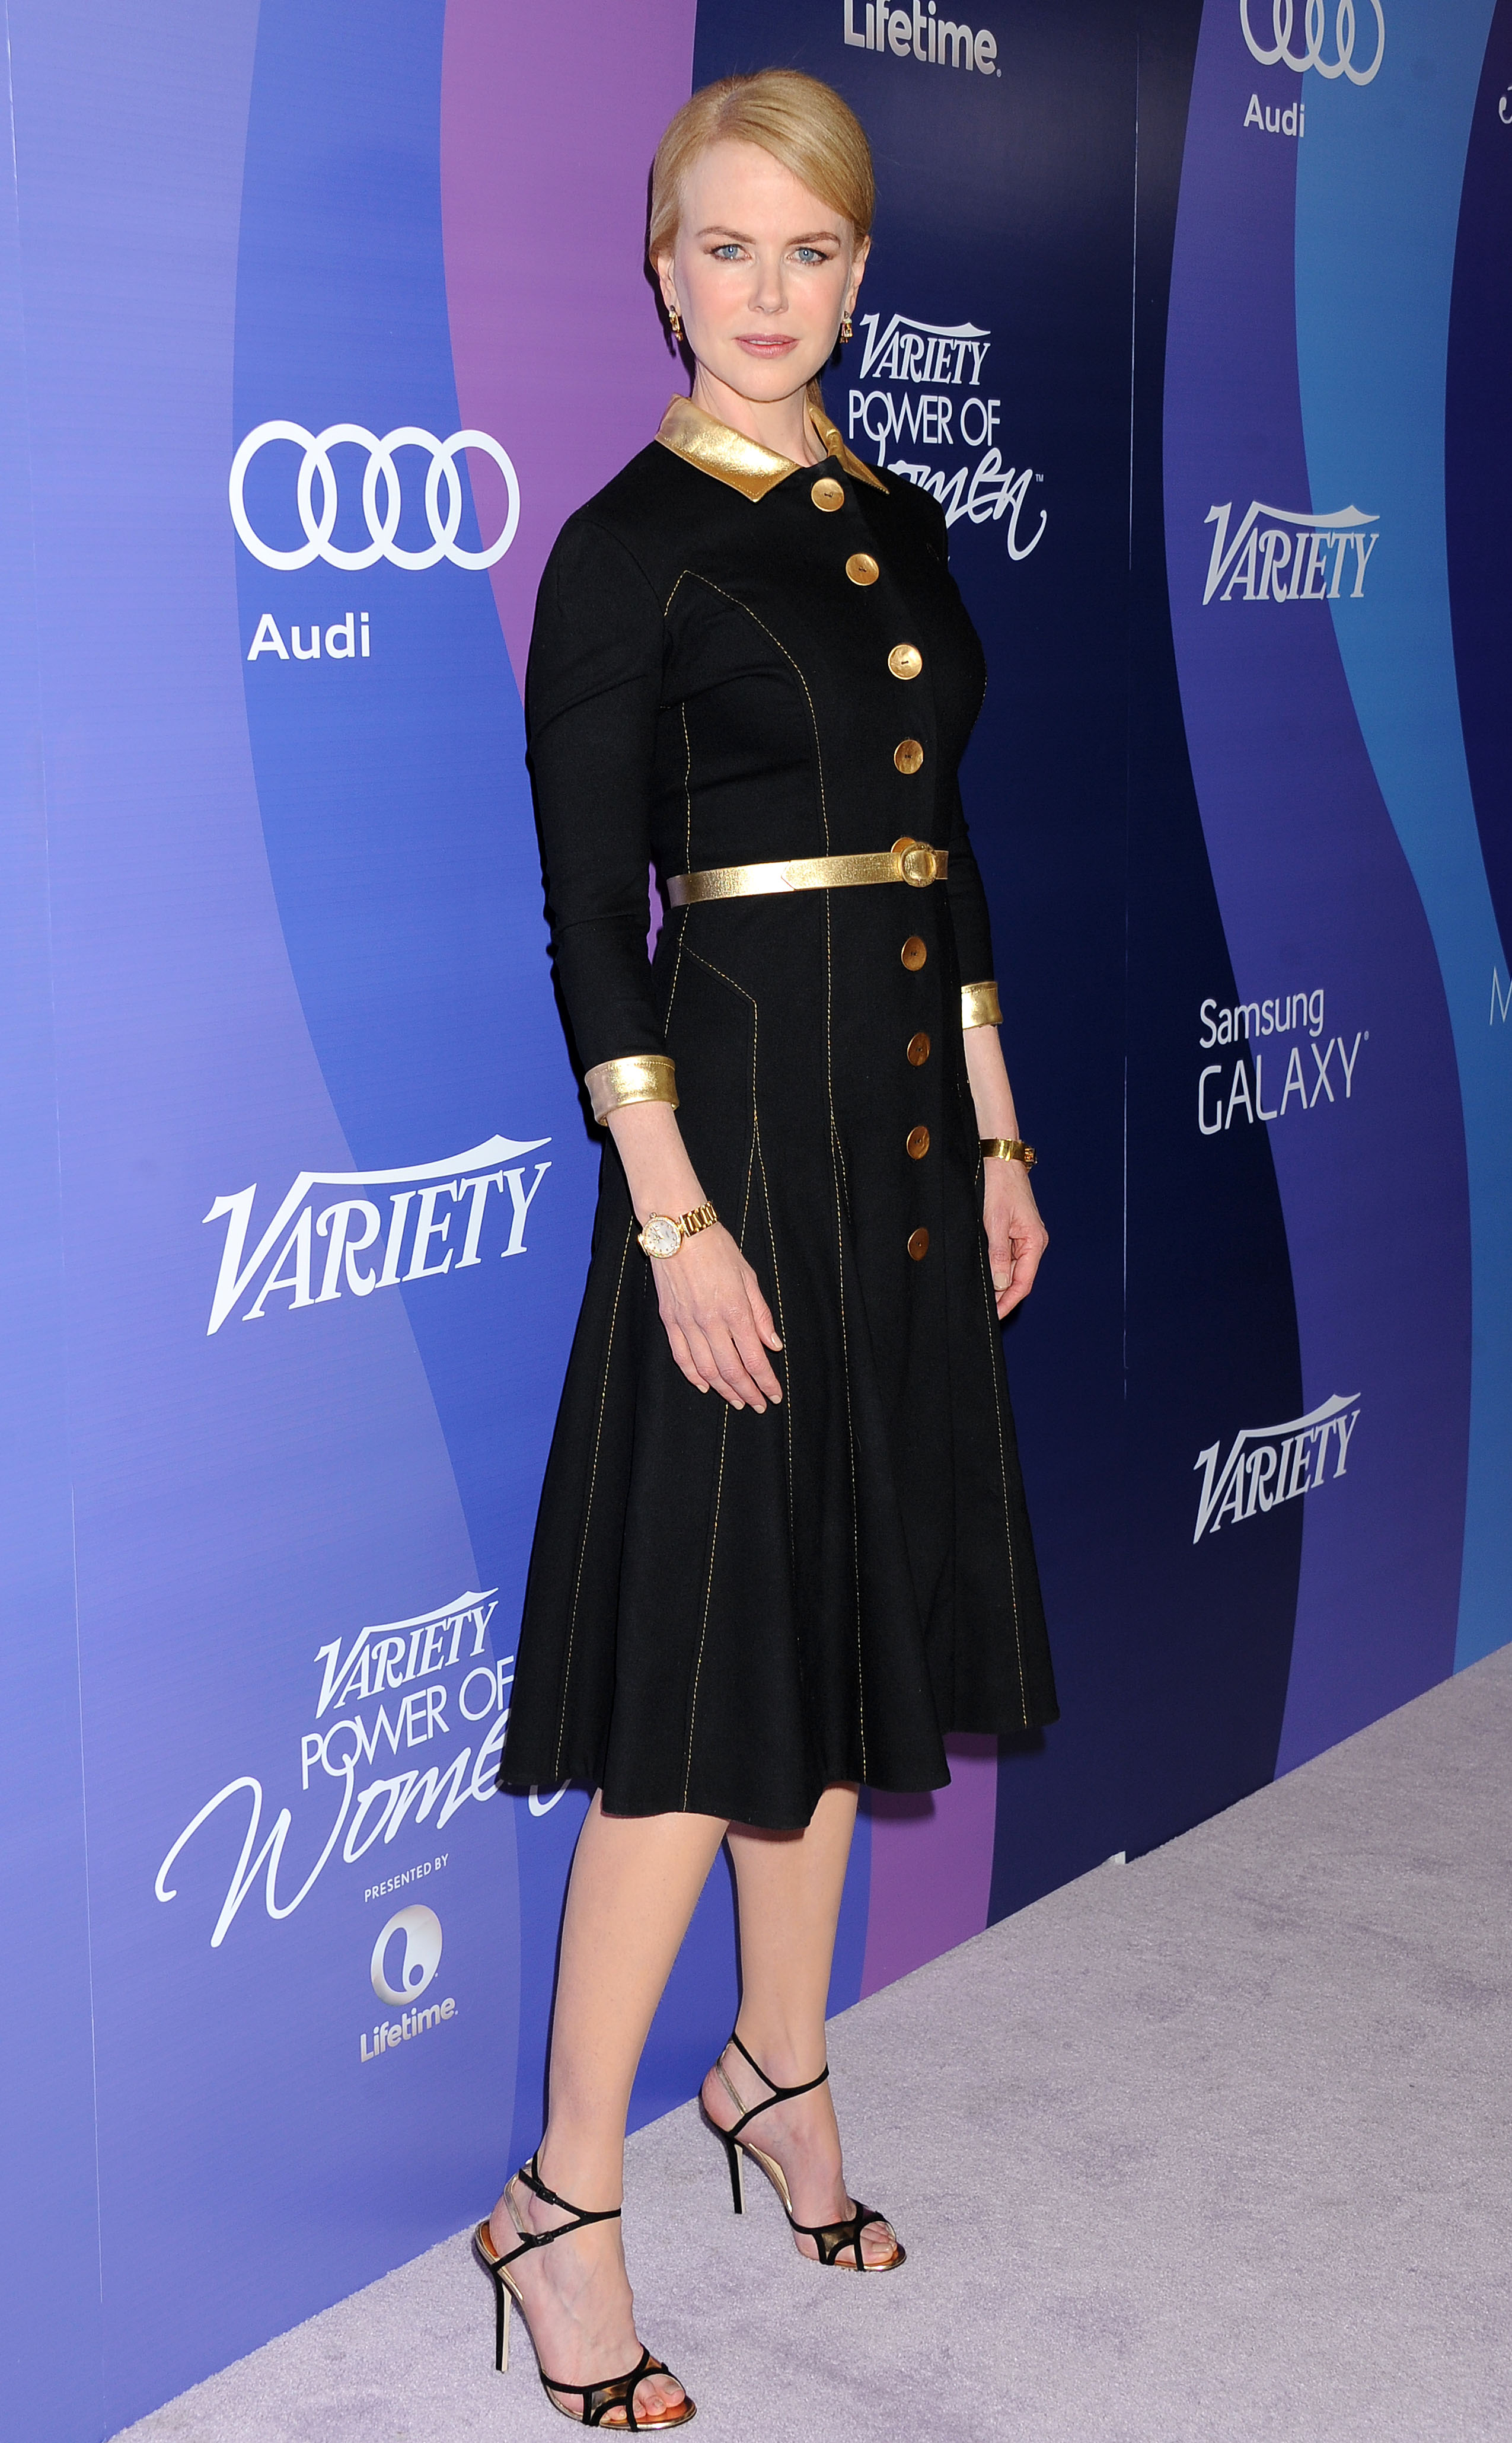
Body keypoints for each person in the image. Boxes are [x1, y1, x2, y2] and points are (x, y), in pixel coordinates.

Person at [473, 68, 1058, 2429]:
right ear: (661, 266)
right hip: (732, 1149)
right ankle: (563, 2200)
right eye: (726, 246)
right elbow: (586, 925)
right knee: (700, 1693)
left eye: (810, 251)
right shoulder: (627, 549)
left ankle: (779, 2072)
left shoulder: (890, 518)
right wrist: (676, 1219)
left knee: (835, 1646)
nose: (768, 290)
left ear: (855, 271)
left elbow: (942, 852)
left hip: (903, 1151)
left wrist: (998, 1136)